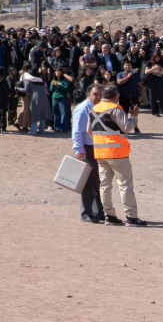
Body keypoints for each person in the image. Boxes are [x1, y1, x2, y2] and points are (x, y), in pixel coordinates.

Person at [89, 84, 145, 226]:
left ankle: (109, 215)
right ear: (116, 96)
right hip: (117, 154)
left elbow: (89, 131)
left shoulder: (93, 110)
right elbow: (127, 127)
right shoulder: (116, 109)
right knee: (125, 185)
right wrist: (134, 116)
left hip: (100, 153)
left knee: (105, 186)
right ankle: (131, 216)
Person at [71, 83, 104, 223]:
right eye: (95, 94)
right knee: (89, 181)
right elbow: (77, 131)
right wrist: (79, 150)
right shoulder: (83, 108)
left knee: (97, 181)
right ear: (88, 95)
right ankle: (87, 213)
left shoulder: (98, 107)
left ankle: (98, 212)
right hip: (87, 148)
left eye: (100, 94)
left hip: (97, 148)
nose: (98, 97)